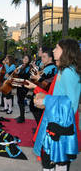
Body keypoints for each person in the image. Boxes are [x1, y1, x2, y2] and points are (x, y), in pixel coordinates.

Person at [25, 39, 81, 171]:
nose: (54, 51)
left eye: (57, 48)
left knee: (58, 162)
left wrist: (46, 101)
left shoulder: (68, 72)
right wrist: (39, 91)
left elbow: (71, 103)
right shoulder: (64, 70)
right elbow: (57, 94)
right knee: (52, 160)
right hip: (57, 120)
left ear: (66, 51)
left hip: (61, 125)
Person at [30, 47, 57, 125]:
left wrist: (36, 76)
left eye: (44, 57)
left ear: (50, 58)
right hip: (39, 91)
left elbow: (43, 82)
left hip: (44, 93)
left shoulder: (51, 68)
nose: (42, 58)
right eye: (42, 56)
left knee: (38, 111)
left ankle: (41, 128)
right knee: (35, 109)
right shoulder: (47, 67)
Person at [14, 55, 31, 123]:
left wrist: (17, 73)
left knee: (21, 101)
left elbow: (25, 75)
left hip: (24, 85)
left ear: (29, 60)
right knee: (19, 100)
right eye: (24, 58)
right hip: (19, 84)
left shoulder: (28, 67)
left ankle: (22, 117)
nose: (25, 59)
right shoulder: (21, 66)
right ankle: (21, 116)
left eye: (26, 58)